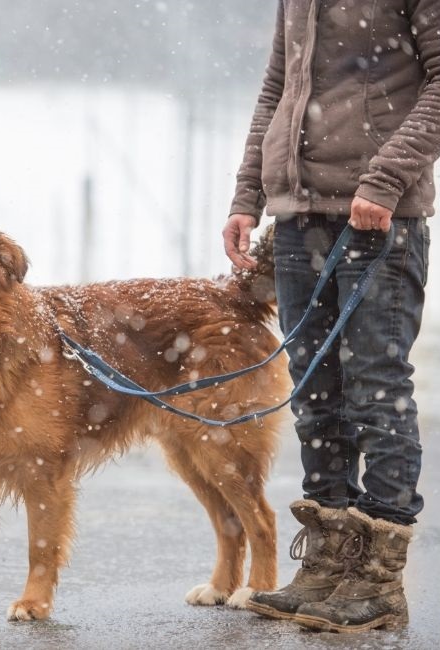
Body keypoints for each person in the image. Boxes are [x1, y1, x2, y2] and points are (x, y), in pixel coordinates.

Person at [222, 0, 439, 633]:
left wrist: (386, 178)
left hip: (379, 218)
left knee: (376, 390)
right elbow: (276, 88)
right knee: (318, 396)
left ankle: (377, 581)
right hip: (297, 218)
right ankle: (327, 564)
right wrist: (247, 195)